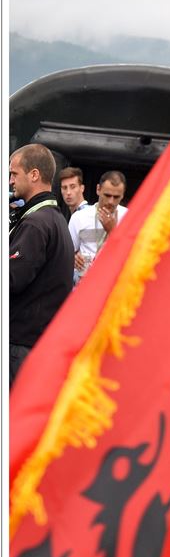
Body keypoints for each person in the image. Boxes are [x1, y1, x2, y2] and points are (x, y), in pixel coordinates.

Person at [9, 143, 75, 386]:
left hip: (20, 345)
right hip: (35, 344)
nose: (10, 181)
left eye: (14, 174)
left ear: (34, 174)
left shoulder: (36, 224)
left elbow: (12, 280)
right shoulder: (55, 219)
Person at [67, 169, 128, 283]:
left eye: (116, 197)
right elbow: (67, 253)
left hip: (113, 285)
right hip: (83, 284)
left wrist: (113, 232)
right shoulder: (79, 217)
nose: (111, 201)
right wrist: (75, 259)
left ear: (123, 195)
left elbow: (133, 256)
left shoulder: (130, 217)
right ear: (98, 189)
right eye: (107, 195)